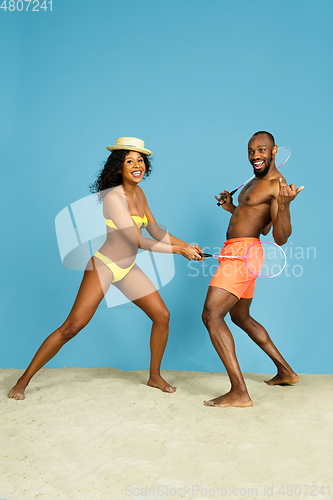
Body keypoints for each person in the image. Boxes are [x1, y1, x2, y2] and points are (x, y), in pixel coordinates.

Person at [8, 137, 203, 400]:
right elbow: (137, 240)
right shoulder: (114, 198)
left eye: (141, 160)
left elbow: (155, 231)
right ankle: (22, 381)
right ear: (119, 168)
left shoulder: (140, 194)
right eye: (129, 161)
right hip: (105, 266)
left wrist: (186, 244)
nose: (137, 165)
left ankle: (154, 376)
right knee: (72, 326)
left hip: (128, 268)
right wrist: (180, 251)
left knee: (162, 316)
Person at [202, 131, 304, 408]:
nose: (256, 155)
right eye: (251, 151)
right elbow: (259, 221)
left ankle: (239, 392)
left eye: (261, 150)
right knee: (241, 317)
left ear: (274, 151)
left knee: (212, 315)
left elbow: (280, 236)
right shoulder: (253, 182)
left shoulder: (275, 185)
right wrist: (231, 208)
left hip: (243, 254)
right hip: (238, 250)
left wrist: (284, 205)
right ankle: (286, 372)